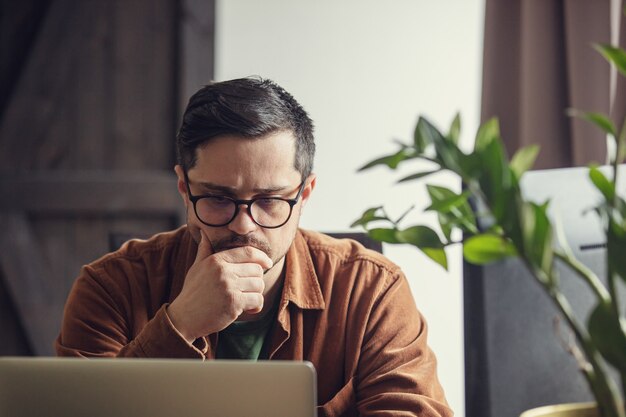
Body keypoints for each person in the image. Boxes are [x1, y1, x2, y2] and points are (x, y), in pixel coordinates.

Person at [56, 77, 453, 416]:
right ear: (184, 188)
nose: (244, 225)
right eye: (217, 198)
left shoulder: (371, 291)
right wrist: (179, 325)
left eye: (269, 200)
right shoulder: (109, 287)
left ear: (304, 193)